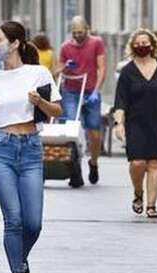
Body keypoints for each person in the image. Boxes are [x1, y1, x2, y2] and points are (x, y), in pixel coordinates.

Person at [0, 21, 63, 273]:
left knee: (33, 222)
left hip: (30, 150)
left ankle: (20, 257)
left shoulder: (38, 73)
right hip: (0, 149)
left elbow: (56, 111)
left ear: (15, 43)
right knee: (13, 218)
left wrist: (39, 103)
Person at [113, 29, 157, 218]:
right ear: (133, 46)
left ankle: (151, 205)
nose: (142, 47)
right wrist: (119, 123)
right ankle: (138, 192)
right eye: (138, 44)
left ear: (152, 45)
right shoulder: (127, 71)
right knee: (137, 162)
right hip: (135, 123)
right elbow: (120, 100)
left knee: (155, 163)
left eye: (145, 43)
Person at [56, 16, 106, 186]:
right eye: (74, 32)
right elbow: (57, 70)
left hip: (90, 89)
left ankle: (93, 162)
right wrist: (65, 66)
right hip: (71, 90)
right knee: (72, 131)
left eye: (80, 32)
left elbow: (101, 67)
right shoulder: (65, 47)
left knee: (94, 132)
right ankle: (75, 170)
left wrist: (97, 90)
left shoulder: (96, 43)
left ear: (87, 29)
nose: (77, 35)